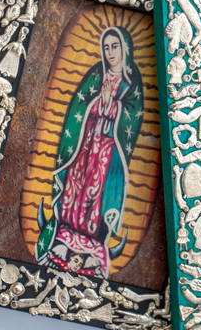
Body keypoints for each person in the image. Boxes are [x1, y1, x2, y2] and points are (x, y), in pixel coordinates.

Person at [35, 26, 144, 278]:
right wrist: (97, 103)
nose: (110, 52)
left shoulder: (132, 83)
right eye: (106, 48)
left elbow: (132, 117)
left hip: (108, 149)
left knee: (96, 191)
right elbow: (79, 105)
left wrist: (112, 107)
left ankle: (92, 237)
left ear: (124, 49)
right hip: (84, 144)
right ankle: (66, 230)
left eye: (115, 47)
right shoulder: (96, 74)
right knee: (76, 185)